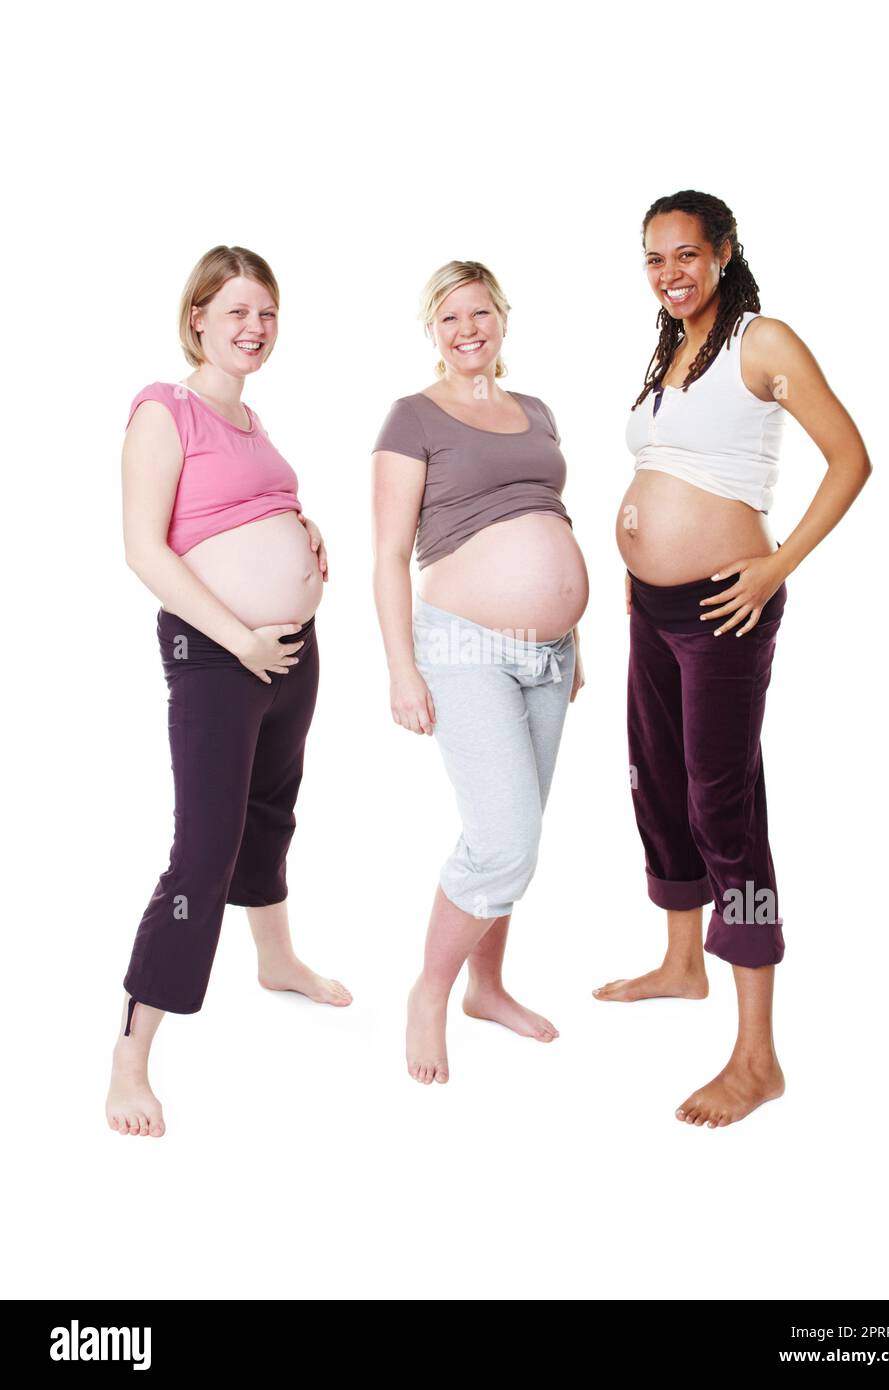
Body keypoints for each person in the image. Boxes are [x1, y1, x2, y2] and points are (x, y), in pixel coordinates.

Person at [595, 191, 872, 1127]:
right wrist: (635, 563)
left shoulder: (763, 341)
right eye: (654, 259)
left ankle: (757, 1057)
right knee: (656, 784)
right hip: (655, 607)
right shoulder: (670, 352)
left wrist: (775, 566)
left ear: (721, 254)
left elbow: (851, 459)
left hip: (724, 608)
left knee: (725, 804)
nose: (670, 273)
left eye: (686, 255)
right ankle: (681, 964)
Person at [106, 245, 350, 1138]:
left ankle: (276, 960)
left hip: (287, 652)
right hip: (218, 654)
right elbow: (144, 548)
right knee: (201, 853)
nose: (255, 329)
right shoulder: (163, 410)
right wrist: (237, 634)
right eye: (237, 312)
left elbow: (247, 509)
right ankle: (131, 1059)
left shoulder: (251, 419)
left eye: (268, 314)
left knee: (270, 811)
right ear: (198, 316)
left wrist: (301, 522)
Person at [371, 260, 589, 1085]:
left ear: (503, 317)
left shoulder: (536, 411)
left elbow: (547, 515)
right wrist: (401, 668)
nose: (469, 329)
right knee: (505, 837)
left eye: (481, 313)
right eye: (451, 317)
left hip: (550, 653)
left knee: (516, 832)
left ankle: (487, 987)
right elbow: (390, 553)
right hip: (463, 645)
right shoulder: (412, 418)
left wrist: (575, 634)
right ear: (432, 329)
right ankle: (432, 990)